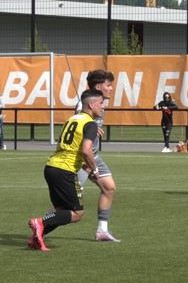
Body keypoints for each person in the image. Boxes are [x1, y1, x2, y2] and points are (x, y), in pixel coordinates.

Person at [27, 89, 104, 252]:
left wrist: (83, 165)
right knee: (77, 213)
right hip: (64, 170)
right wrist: (94, 169)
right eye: (101, 103)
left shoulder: (71, 119)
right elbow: (86, 150)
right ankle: (40, 222)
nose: (103, 107)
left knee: (61, 211)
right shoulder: (90, 123)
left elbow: (69, 148)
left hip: (51, 167)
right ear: (91, 105)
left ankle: (37, 237)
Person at [78, 69, 119, 241]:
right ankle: (41, 225)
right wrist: (89, 126)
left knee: (109, 188)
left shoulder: (99, 104)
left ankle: (102, 230)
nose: (111, 88)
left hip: (93, 157)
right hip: (80, 158)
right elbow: (76, 123)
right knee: (67, 205)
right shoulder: (85, 105)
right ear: (98, 87)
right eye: (108, 85)